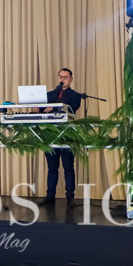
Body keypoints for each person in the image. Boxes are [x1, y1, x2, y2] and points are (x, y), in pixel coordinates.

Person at [38, 68, 84, 206]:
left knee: (68, 167)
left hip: (66, 134)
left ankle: (70, 196)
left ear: (71, 79)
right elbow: (41, 110)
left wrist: (54, 108)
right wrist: (37, 108)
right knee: (52, 168)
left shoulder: (75, 95)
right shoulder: (49, 95)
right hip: (50, 134)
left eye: (65, 77)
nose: (62, 79)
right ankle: (50, 195)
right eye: (60, 76)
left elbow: (72, 109)